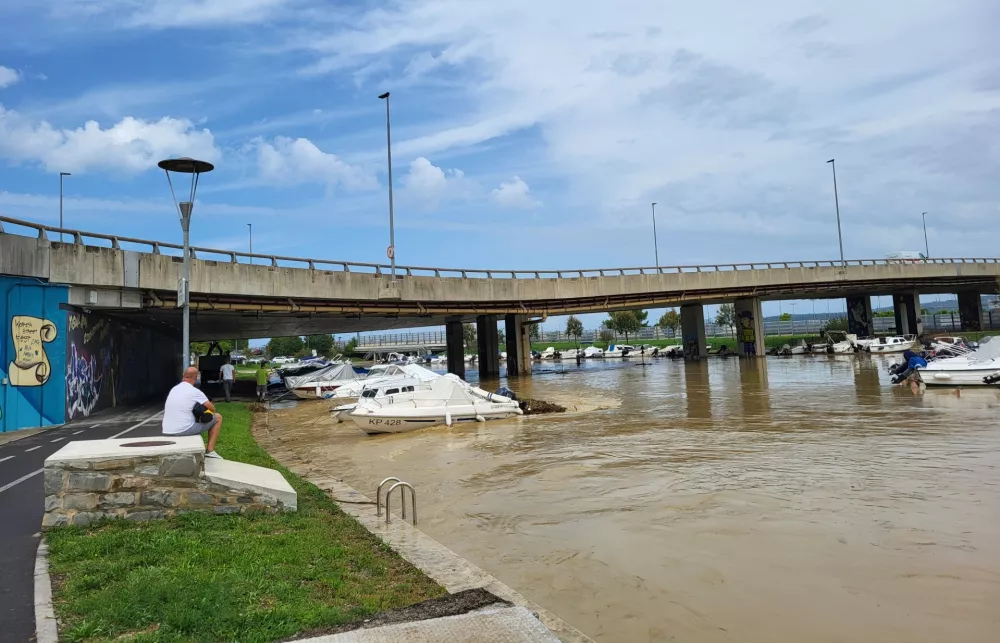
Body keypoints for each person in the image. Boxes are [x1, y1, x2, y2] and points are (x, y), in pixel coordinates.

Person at [162, 367, 224, 459]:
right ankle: (210, 450)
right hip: (183, 430)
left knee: (192, 418)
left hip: (167, 430)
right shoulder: (195, 391)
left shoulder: (174, 389)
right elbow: (212, 408)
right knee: (218, 417)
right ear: (195, 377)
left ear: (183, 376)